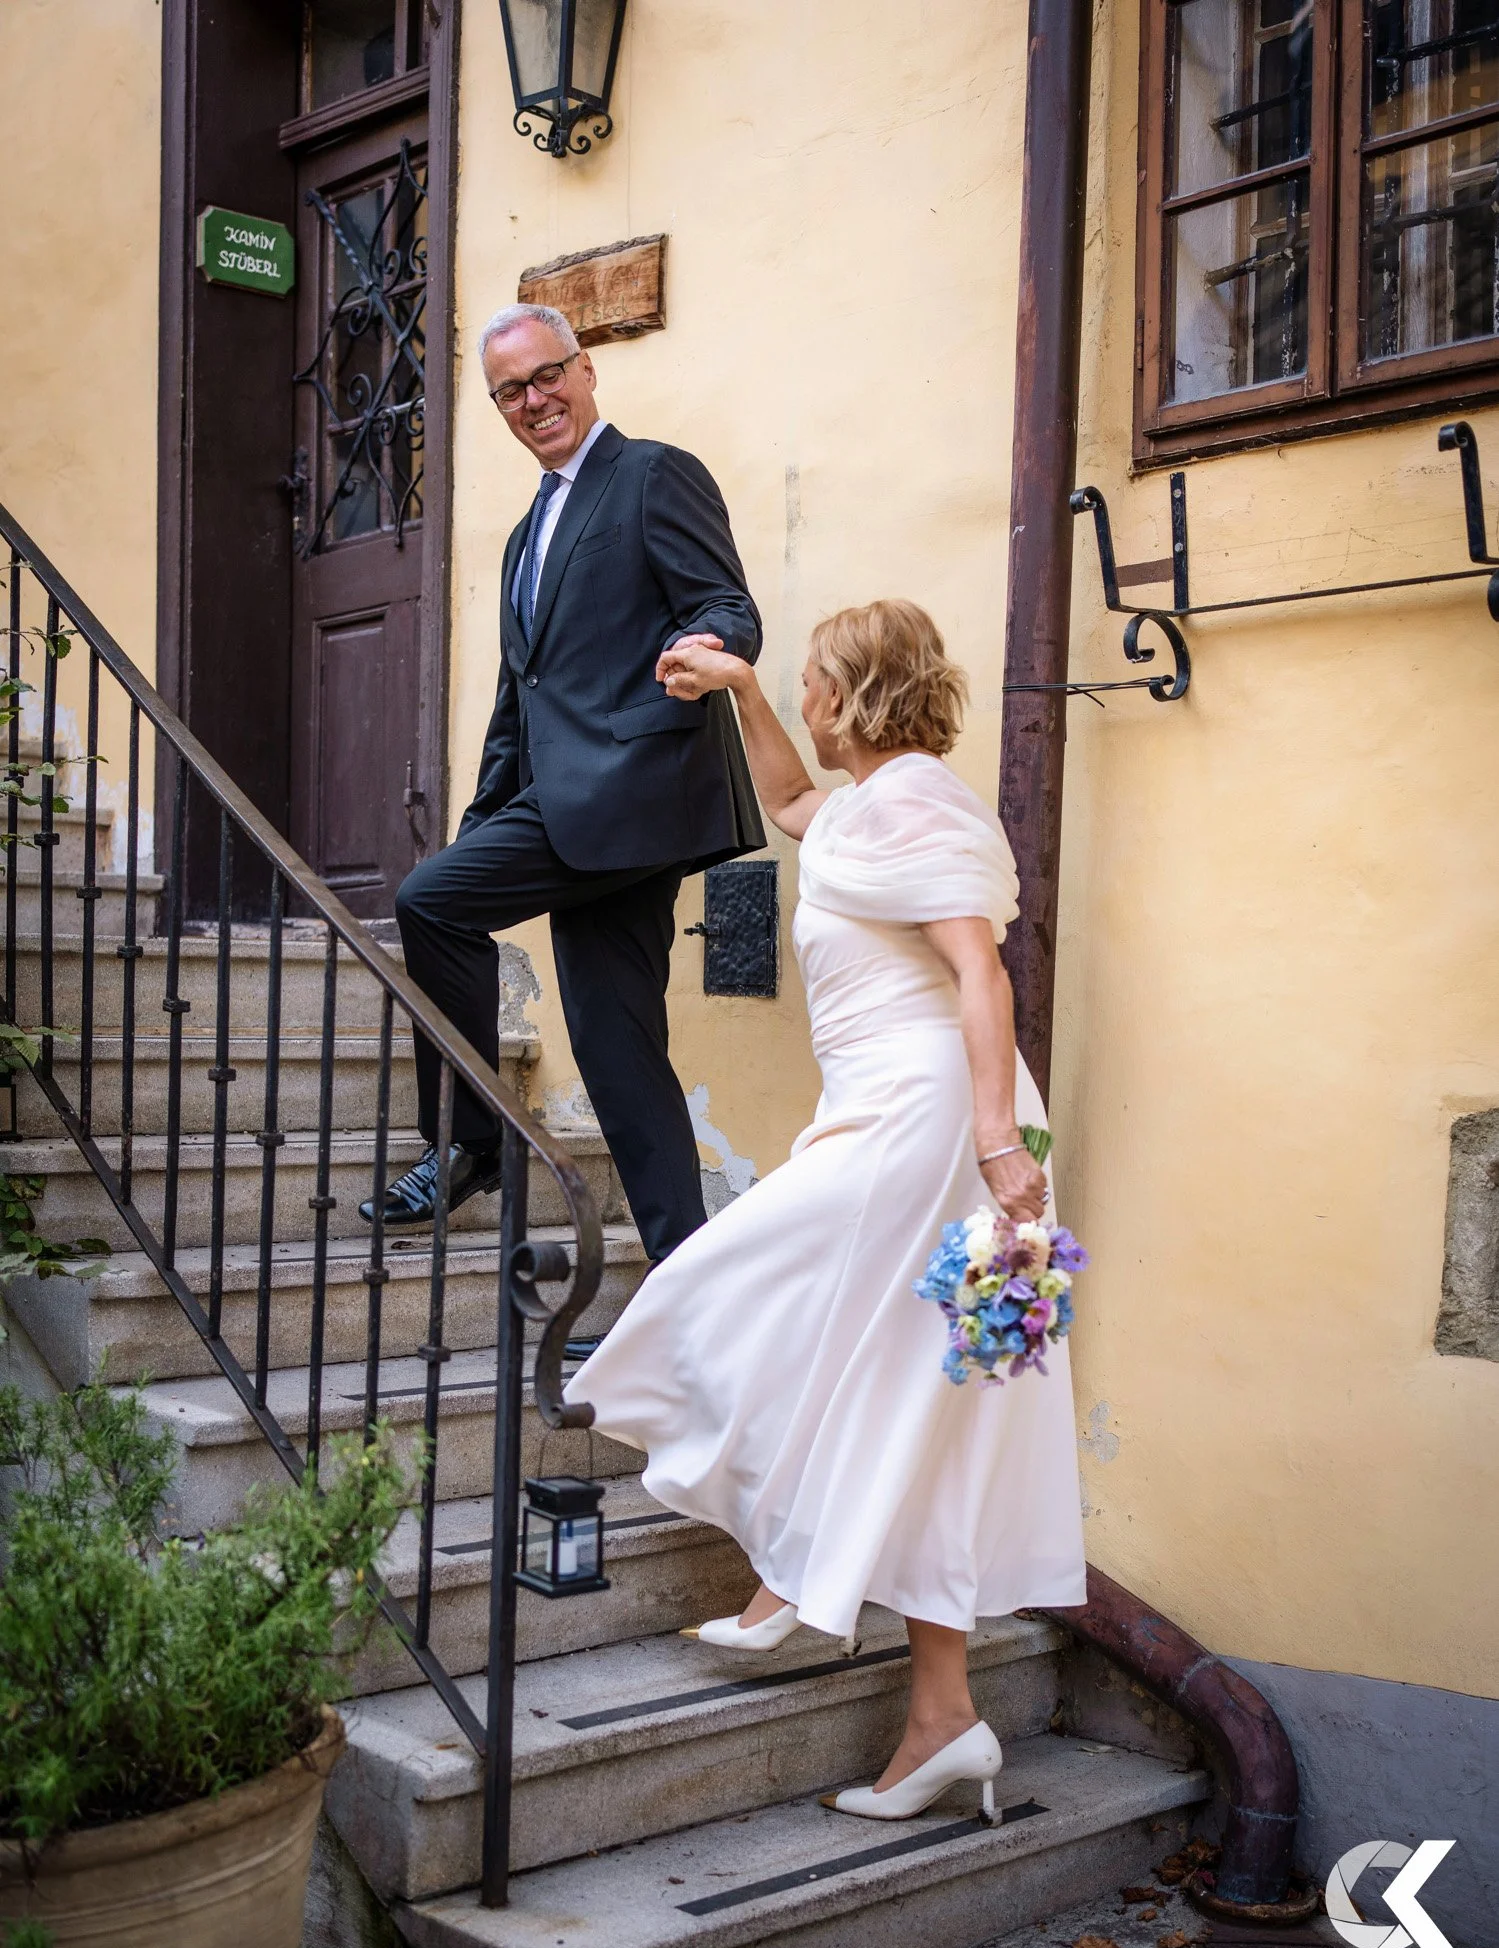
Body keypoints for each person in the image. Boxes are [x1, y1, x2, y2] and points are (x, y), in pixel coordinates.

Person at [568, 599, 1086, 1822]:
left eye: (808, 681)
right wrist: (743, 689)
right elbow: (796, 805)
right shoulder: (865, 802)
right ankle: (939, 1714)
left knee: (725, 1286)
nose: (801, 699)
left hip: (929, 1122)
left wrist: (1000, 1145)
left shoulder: (916, 803)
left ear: (851, 695)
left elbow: (980, 968)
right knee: (919, 1403)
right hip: (890, 1111)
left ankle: (793, 1568)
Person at [364, 303, 764, 1273]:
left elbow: (725, 602)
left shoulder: (650, 475)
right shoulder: (523, 537)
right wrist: (476, 824)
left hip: (638, 790)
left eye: (548, 376)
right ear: (499, 407)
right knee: (620, 1055)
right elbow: (519, 703)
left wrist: (710, 648)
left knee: (430, 903)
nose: (534, 400)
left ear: (586, 371)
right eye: (512, 390)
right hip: (576, 811)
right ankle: (689, 1291)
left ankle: (469, 1141)